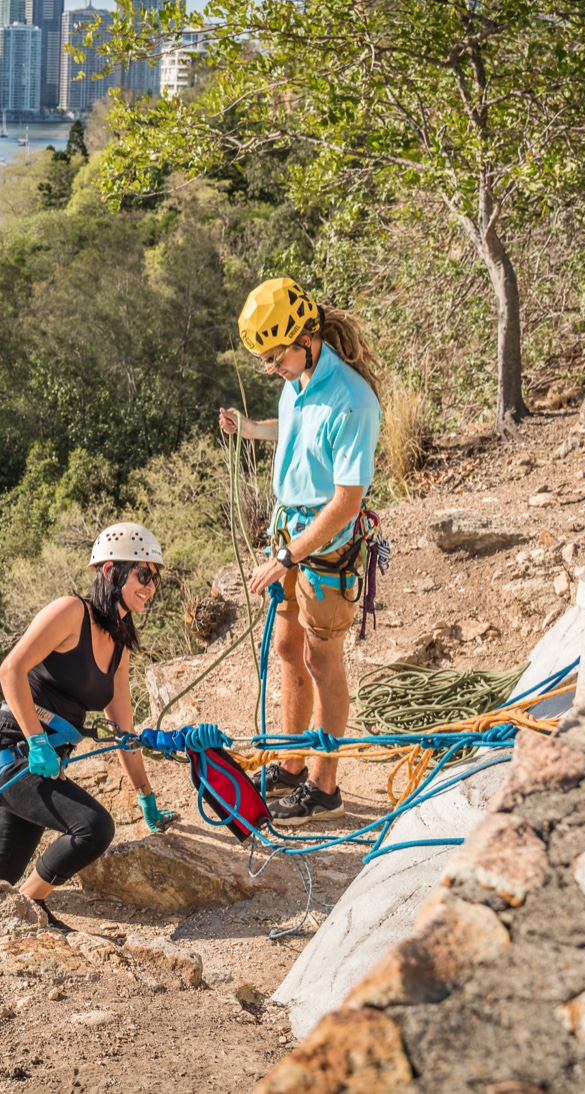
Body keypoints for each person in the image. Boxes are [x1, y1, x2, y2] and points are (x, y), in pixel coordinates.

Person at [219, 277, 383, 824]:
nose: (270, 368)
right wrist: (249, 429)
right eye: (264, 359)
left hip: (325, 548)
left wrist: (290, 557)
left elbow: (346, 502)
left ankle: (324, 784)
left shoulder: (352, 401)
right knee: (288, 649)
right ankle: (290, 764)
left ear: (305, 337)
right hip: (289, 536)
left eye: (274, 356)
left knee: (322, 659)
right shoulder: (300, 380)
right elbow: (291, 429)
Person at [0, 523, 176, 924]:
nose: (150, 587)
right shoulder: (70, 612)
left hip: (38, 763)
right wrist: (36, 741)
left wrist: (146, 798)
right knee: (94, 828)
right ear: (110, 571)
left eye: (155, 579)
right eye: (144, 574)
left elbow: (124, 735)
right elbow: (10, 670)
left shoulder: (118, 647)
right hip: (9, 746)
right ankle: (31, 909)